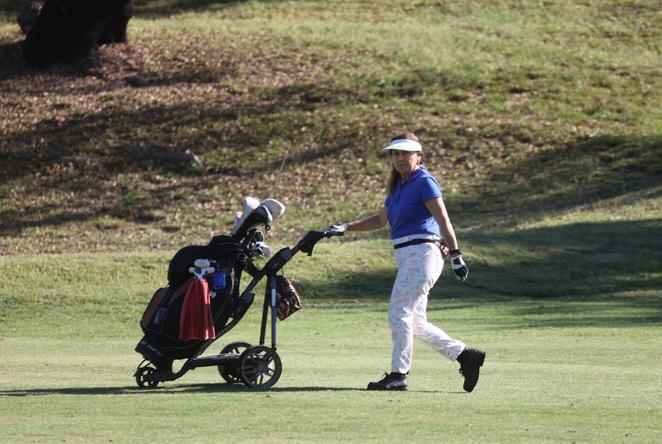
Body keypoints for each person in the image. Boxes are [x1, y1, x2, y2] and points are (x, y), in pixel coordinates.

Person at [328, 132, 486, 392]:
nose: (400, 158)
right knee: (416, 322)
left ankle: (398, 374)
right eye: (395, 153)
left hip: (422, 253)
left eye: (405, 153)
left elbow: (443, 219)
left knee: (398, 312)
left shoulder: (424, 181)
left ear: (418, 155)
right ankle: (465, 356)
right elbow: (380, 220)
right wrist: (344, 227)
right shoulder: (398, 186)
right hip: (409, 254)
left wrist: (457, 255)